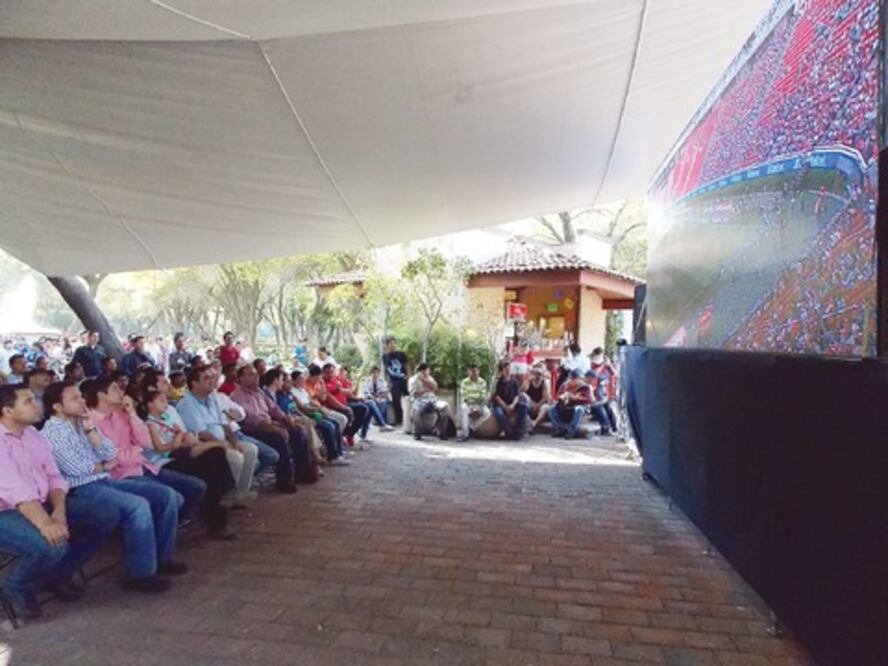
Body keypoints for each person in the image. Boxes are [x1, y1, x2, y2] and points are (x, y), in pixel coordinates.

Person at [42, 382, 187, 593]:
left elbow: (109, 453)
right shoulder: (54, 432)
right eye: (75, 398)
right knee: (137, 506)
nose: (82, 401)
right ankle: (141, 574)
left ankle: (161, 558)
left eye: (81, 396)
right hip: (81, 489)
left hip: (102, 480)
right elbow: (77, 469)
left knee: (165, 495)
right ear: (57, 406)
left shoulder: (81, 424)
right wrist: (100, 464)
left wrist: (92, 431)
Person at [0, 385, 115, 618]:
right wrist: (46, 523)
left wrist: (59, 511)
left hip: (41, 502)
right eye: (28, 401)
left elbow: (54, 477)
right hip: (6, 511)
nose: (37, 405)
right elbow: (15, 491)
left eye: (35, 399)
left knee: (105, 515)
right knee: (51, 544)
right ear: (8, 411)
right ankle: (16, 586)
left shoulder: (33, 436)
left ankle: (57, 574)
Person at [81, 376, 206, 526]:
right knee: (171, 497)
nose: (121, 391)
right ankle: (160, 539)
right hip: (121, 474)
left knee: (197, 486)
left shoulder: (122, 415)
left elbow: (145, 442)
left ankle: (172, 524)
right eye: (115, 388)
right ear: (101, 395)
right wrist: (136, 452)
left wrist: (132, 414)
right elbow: (113, 456)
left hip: (144, 467)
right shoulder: (91, 421)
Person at [141, 389, 236, 539]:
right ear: (150, 405)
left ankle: (223, 488)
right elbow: (164, 448)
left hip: (182, 451)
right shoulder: (149, 424)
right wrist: (180, 437)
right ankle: (221, 497)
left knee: (215, 455)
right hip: (167, 459)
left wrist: (185, 437)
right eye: (161, 400)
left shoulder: (167, 418)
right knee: (209, 465)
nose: (166, 403)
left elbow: (182, 435)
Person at [231, 364, 316, 489]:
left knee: (298, 432)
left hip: (268, 424)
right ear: (240, 379)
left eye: (255, 374)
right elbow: (252, 418)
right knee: (279, 438)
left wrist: (285, 419)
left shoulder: (259, 392)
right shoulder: (237, 396)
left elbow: (273, 408)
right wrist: (274, 427)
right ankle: (284, 480)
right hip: (253, 430)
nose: (256, 377)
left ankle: (302, 472)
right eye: (250, 374)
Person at [276, 371, 349, 467]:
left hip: (307, 415)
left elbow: (299, 407)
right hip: (301, 417)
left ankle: (337, 452)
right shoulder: (282, 396)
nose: (303, 381)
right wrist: (313, 411)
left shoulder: (290, 395)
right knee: (328, 427)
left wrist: (317, 409)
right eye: (287, 381)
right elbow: (299, 408)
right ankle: (328, 456)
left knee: (335, 424)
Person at [322, 364, 369, 447]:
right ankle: (343, 437)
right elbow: (330, 398)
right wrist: (343, 406)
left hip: (345, 404)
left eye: (332, 372)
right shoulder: (323, 383)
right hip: (335, 407)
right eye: (327, 372)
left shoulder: (335, 381)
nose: (330, 374)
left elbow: (347, 393)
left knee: (364, 408)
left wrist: (358, 398)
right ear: (323, 373)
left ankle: (349, 435)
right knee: (347, 413)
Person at [408, 363, 452, 440]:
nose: (429, 372)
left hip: (433, 400)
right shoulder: (413, 379)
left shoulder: (430, 378)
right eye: (428, 370)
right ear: (422, 371)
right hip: (420, 401)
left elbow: (435, 388)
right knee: (415, 412)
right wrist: (426, 389)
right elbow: (414, 393)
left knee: (445, 407)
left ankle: (441, 432)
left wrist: (424, 380)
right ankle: (417, 433)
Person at [549, 370, 591, 439]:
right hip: (566, 407)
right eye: (570, 378)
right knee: (551, 409)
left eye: (574, 379)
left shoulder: (584, 387)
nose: (571, 380)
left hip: (578, 409)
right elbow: (558, 395)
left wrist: (575, 398)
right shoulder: (564, 385)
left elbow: (588, 399)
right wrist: (563, 397)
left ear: (578, 379)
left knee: (579, 409)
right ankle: (559, 429)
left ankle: (571, 431)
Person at [491, 361, 527, 440]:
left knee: (523, 406)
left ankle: (518, 430)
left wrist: (513, 405)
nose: (507, 371)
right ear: (502, 371)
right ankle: (509, 432)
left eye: (509, 369)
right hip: (501, 404)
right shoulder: (498, 382)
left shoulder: (514, 381)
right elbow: (497, 397)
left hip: (512, 403)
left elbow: (517, 395)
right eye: (505, 369)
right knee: (499, 413)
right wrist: (506, 407)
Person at [457, 364, 489, 441]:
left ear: (478, 372)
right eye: (472, 371)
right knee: (463, 409)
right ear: (469, 372)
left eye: (476, 371)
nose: (474, 373)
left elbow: (483, 396)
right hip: (468, 404)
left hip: (478, 404)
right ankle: (465, 434)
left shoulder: (482, 382)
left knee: (487, 413)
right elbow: (464, 396)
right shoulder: (464, 382)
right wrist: (471, 407)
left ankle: (472, 427)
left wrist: (478, 407)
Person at [382, 338, 409, 426]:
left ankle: (408, 419)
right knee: (396, 401)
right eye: (390, 344)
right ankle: (399, 419)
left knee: (408, 400)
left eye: (394, 343)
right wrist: (386, 381)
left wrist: (408, 376)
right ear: (387, 346)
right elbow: (385, 369)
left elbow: (407, 365)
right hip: (393, 382)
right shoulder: (385, 356)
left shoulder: (401, 354)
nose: (392, 345)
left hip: (403, 380)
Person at [360, 366, 394, 431]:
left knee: (384, 402)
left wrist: (380, 397)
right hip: (370, 398)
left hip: (380, 397)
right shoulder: (367, 381)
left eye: (377, 373)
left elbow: (385, 390)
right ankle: (381, 423)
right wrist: (375, 398)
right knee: (371, 403)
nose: (375, 374)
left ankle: (380, 422)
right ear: (370, 373)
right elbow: (366, 393)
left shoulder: (381, 380)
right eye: (373, 373)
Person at [523, 364, 551, 432]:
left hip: (540, 405)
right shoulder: (529, 381)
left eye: (538, 374)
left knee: (545, 407)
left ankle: (534, 424)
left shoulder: (544, 382)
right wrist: (527, 381)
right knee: (523, 396)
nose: (536, 375)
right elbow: (522, 391)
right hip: (531, 403)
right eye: (535, 373)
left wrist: (538, 405)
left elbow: (546, 397)